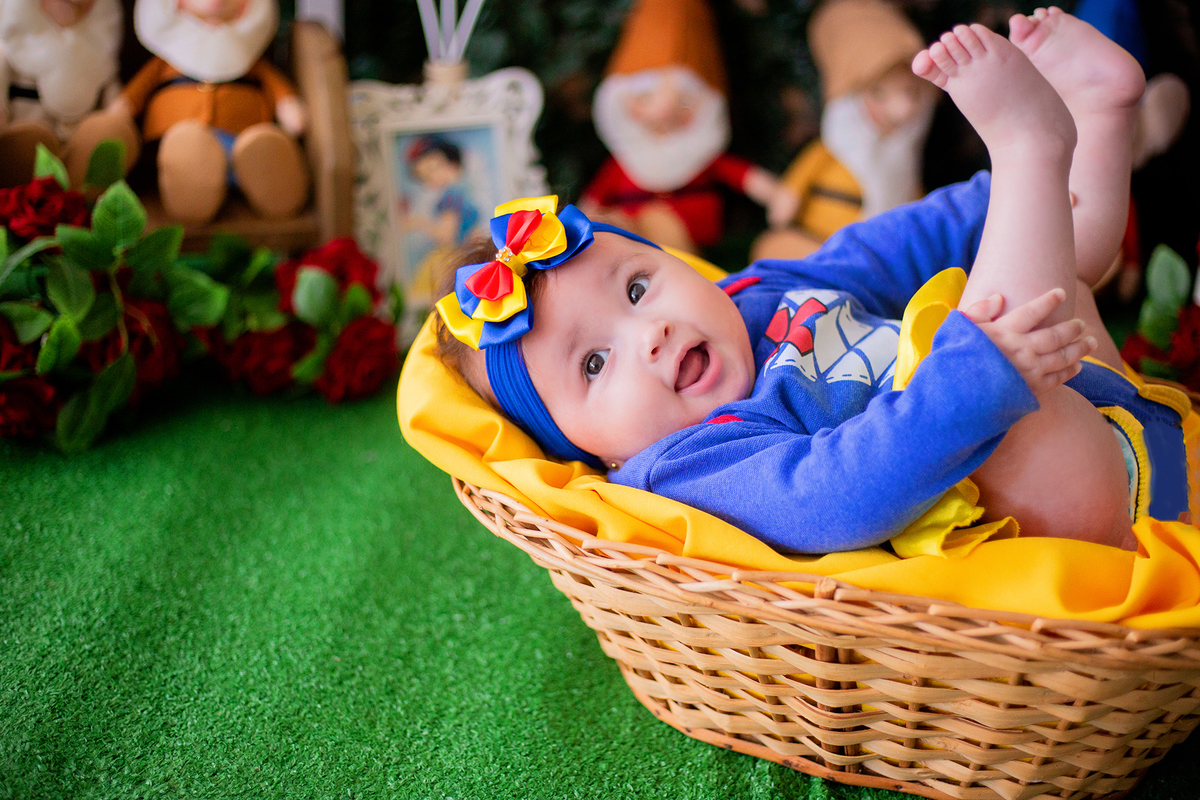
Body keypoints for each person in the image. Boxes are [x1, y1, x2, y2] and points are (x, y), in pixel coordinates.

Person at [432, 8, 1191, 554]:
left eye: (637, 289)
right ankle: (1032, 143)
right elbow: (832, 496)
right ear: (592, 454)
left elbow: (880, 250)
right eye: (595, 364)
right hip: (1046, 502)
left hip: (1102, 403)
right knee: (992, 330)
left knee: (1067, 261)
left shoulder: (753, 297)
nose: (651, 333)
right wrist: (975, 377)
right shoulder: (687, 464)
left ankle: (1097, 112)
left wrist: (995, 205)